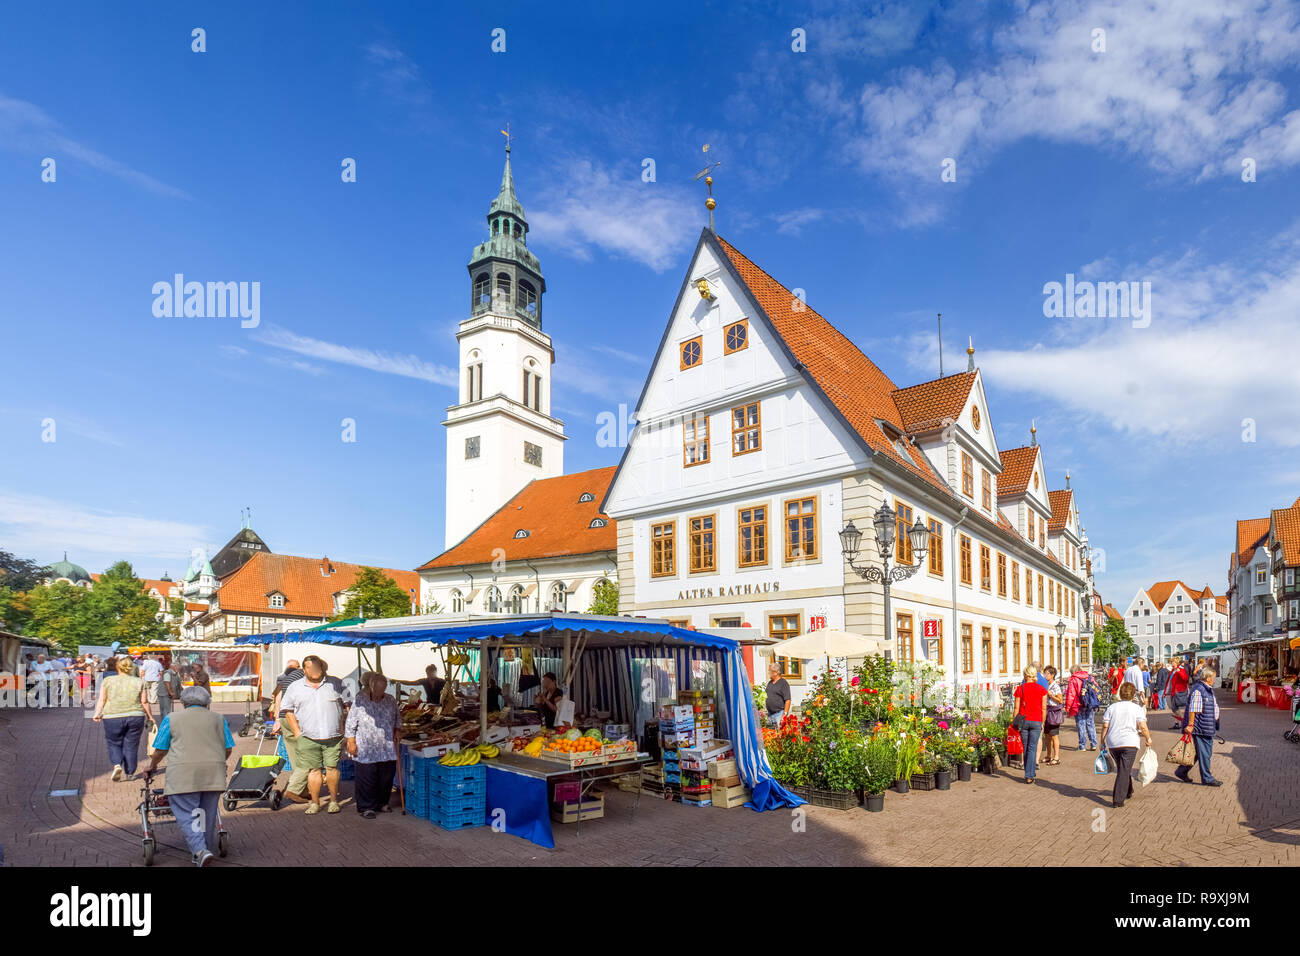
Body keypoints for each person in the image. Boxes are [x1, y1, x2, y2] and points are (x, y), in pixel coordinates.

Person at [143, 685, 233, 866]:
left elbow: (160, 749)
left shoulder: (172, 719)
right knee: (205, 814)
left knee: (187, 813)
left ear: (183, 702)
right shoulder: (218, 718)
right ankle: (204, 849)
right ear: (207, 701)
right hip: (213, 773)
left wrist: (151, 766)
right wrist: (219, 760)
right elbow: (228, 748)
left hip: (183, 773)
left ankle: (200, 851)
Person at [280, 655, 351, 814]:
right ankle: (315, 802)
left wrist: (347, 731)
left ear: (323, 667)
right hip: (308, 736)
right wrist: (297, 732)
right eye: (310, 668)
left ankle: (333, 801)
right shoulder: (295, 686)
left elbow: (349, 706)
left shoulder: (336, 683)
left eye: (317, 667)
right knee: (314, 770)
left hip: (333, 736)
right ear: (304, 670)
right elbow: (288, 710)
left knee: (332, 769)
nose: (314, 671)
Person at [345, 672, 401, 819]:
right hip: (366, 746)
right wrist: (351, 742)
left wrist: (398, 730)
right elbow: (350, 722)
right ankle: (366, 807)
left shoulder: (390, 700)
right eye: (376, 691)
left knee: (386, 777)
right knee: (367, 777)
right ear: (370, 686)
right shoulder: (360, 700)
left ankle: (382, 803)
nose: (378, 695)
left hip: (386, 746)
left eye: (381, 691)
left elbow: (397, 719)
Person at [91, 657, 154, 781]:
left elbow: (102, 699)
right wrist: (150, 717)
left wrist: (97, 713)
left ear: (117, 667)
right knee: (132, 744)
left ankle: (117, 764)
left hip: (112, 716)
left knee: (114, 742)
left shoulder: (108, 680)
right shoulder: (139, 682)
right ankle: (130, 773)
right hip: (135, 716)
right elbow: (144, 701)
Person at [1101, 681, 1152, 808]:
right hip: (1130, 742)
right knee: (1124, 769)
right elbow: (1142, 726)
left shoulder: (1112, 708)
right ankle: (1118, 799)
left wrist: (1102, 740)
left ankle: (1128, 790)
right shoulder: (1137, 708)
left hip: (1113, 742)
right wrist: (1148, 738)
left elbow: (1105, 726)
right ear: (1133, 695)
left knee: (1123, 767)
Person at [1176, 666, 1222, 787]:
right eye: (1213, 678)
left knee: (1197, 752)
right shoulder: (1199, 689)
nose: (1214, 680)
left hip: (1206, 725)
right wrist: (1191, 725)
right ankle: (1207, 778)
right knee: (1205, 753)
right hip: (1201, 727)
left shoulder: (1205, 688)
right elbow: (1193, 709)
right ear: (1208, 678)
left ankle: (1181, 771)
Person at [1013, 665, 1048, 783]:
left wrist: (1014, 723)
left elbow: (1016, 708)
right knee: (1032, 748)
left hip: (1023, 721)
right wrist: (1043, 722)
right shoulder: (1041, 689)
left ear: (1026, 675)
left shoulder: (1020, 688)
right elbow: (1044, 708)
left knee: (1026, 747)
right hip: (1037, 720)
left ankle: (1029, 773)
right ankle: (1030, 774)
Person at [1066, 661, 1100, 750]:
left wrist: (1068, 707)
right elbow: (1096, 689)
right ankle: (1093, 744)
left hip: (1079, 704)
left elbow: (1071, 694)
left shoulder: (1073, 679)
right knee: (1090, 723)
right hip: (1089, 703)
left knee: (1081, 724)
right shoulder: (1089, 677)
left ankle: (1082, 745)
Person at [1042, 665, 1065, 765]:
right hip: (1047, 711)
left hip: (1054, 712)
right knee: (1047, 735)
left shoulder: (1055, 686)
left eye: (1047, 673)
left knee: (1054, 735)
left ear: (1052, 675)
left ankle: (1056, 757)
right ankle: (1048, 755)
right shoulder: (1046, 684)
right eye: (1045, 673)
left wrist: (1051, 695)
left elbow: (1060, 700)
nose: (1045, 675)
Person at [764, 661, 792, 728]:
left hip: (779, 714)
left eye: (769, 671)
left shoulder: (783, 683)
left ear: (776, 672)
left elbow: (788, 699)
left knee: (779, 735)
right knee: (771, 735)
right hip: (770, 714)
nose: (768, 673)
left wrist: (785, 714)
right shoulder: (770, 683)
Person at [1167, 659, 1191, 728]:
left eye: (1173, 662)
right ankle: (1177, 723)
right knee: (1174, 708)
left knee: (1174, 708)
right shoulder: (1172, 671)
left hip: (1178, 691)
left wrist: (1179, 672)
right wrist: (1166, 692)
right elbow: (1169, 682)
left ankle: (1184, 720)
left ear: (1177, 663)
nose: (1172, 663)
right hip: (1173, 692)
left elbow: (1186, 679)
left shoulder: (1181, 669)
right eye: (1171, 662)